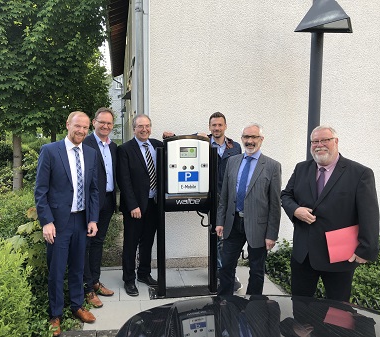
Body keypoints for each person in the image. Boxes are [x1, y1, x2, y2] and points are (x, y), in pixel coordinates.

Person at [281, 125, 380, 302]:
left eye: (325, 140)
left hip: (339, 256)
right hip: (304, 255)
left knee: (338, 312)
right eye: (315, 141)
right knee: (301, 309)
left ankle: (333, 332)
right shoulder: (301, 168)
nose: (319, 145)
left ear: (336, 141)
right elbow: (286, 195)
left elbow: (369, 214)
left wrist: (366, 249)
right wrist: (295, 210)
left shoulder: (360, 173)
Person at [35, 111, 99, 336]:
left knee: (78, 267)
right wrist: (47, 222)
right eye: (77, 126)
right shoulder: (50, 151)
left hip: (82, 220)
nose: (81, 131)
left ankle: (77, 306)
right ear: (67, 125)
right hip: (58, 223)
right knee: (57, 269)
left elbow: (93, 189)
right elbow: (40, 191)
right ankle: (55, 315)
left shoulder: (91, 153)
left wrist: (93, 218)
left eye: (85, 127)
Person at [163, 111, 243, 291]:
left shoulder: (235, 147)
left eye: (220, 125)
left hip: (229, 198)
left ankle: (225, 272)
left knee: (226, 237)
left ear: (225, 126)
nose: (216, 128)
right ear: (209, 127)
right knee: (217, 235)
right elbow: (180, 144)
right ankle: (220, 272)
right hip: (210, 197)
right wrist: (169, 136)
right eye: (213, 125)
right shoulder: (201, 142)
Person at [216, 123, 281, 295]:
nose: (250, 141)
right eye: (246, 137)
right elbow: (224, 196)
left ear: (261, 139)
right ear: (241, 139)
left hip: (258, 227)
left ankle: (254, 308)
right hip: (233, 223)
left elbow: (275, 203)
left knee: (257, 271)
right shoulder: (232, 162)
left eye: (254, 137)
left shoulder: (272, 166)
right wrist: (220, 221)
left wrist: (271, 234)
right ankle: (224, 304)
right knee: (226, 267)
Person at [117, 114, 164, 296]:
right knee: (131, 243)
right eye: (140, 126)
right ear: (134, 129)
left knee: (148, 241)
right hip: (135, 207)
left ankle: (144, 274)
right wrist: (132, 205)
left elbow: (176, 146)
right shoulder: (125, 149)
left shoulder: (157, 145)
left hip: (154, 203)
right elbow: (124, 179)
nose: (144, 129)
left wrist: (198, 135)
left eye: (147, 126)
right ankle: (129, 280)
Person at [82, 107, 117, 308]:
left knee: (98, 242)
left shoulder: (113, 147)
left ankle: (95, 281)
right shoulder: (85, 143)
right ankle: (87, 288)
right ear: (94, 122)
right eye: (101, 122)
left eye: (109, 123)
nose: (105, 126)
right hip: (90, 203)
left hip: (108, 201)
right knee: (86, 245)